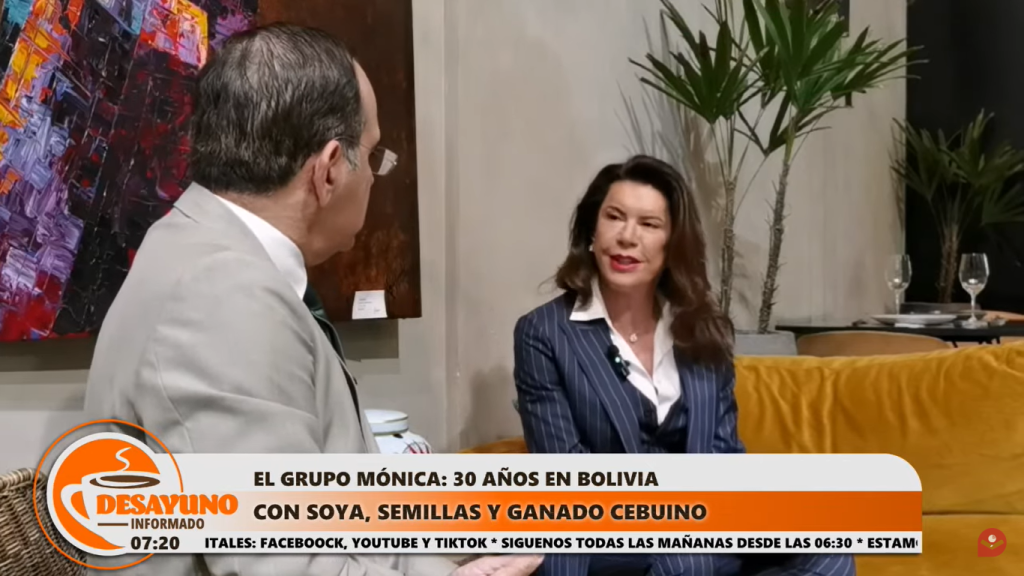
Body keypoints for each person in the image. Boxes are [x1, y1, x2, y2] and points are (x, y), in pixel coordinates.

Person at [82, 24, 540, 576]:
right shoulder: (221, 296)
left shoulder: (201, 246)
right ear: (328, 170)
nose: (374, 176)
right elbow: (287, 563)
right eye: (373, 154)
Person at [512, 155, 854, 576]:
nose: (627, 237)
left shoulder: (702, 330)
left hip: (703, 527)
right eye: (614, 217)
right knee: (686, 560)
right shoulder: (545, 333)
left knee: (829, 550)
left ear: (673, 244)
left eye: (649, 224)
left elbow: (723, 455)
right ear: (591, 232)